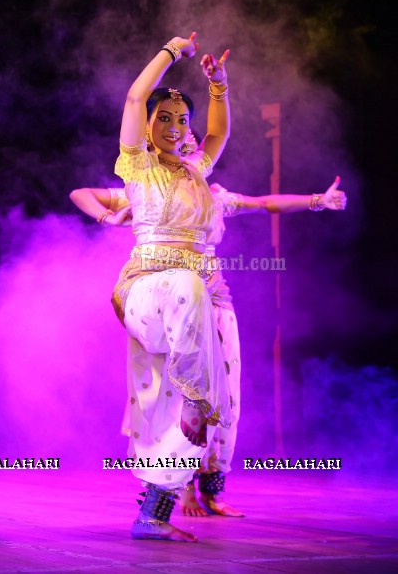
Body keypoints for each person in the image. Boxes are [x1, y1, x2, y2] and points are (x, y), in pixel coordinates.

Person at [71, 175, 347, 519]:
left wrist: (317, 199)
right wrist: (107, 216)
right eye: (174, 134)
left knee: (224, 395)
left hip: (216, 304)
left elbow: (263, 203)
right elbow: (80, 193)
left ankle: (212, 489)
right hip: (173, 304)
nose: (182, 144)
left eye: (189, 137)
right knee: (179, 394)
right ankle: (178, 487)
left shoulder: (214, 197)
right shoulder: (147, 187)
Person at [111, 33, 232, 542]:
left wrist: (219, 87)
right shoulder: (137, 166)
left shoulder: (196, 171)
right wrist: (169, 51)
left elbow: (218, 136)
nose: (176, 127)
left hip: (191, 302)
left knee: (204, 397)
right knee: (186, 284)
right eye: (165, 118)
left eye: (183, 120)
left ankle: (153, 514)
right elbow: (137, 97)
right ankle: (193, 395)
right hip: (145, 290)